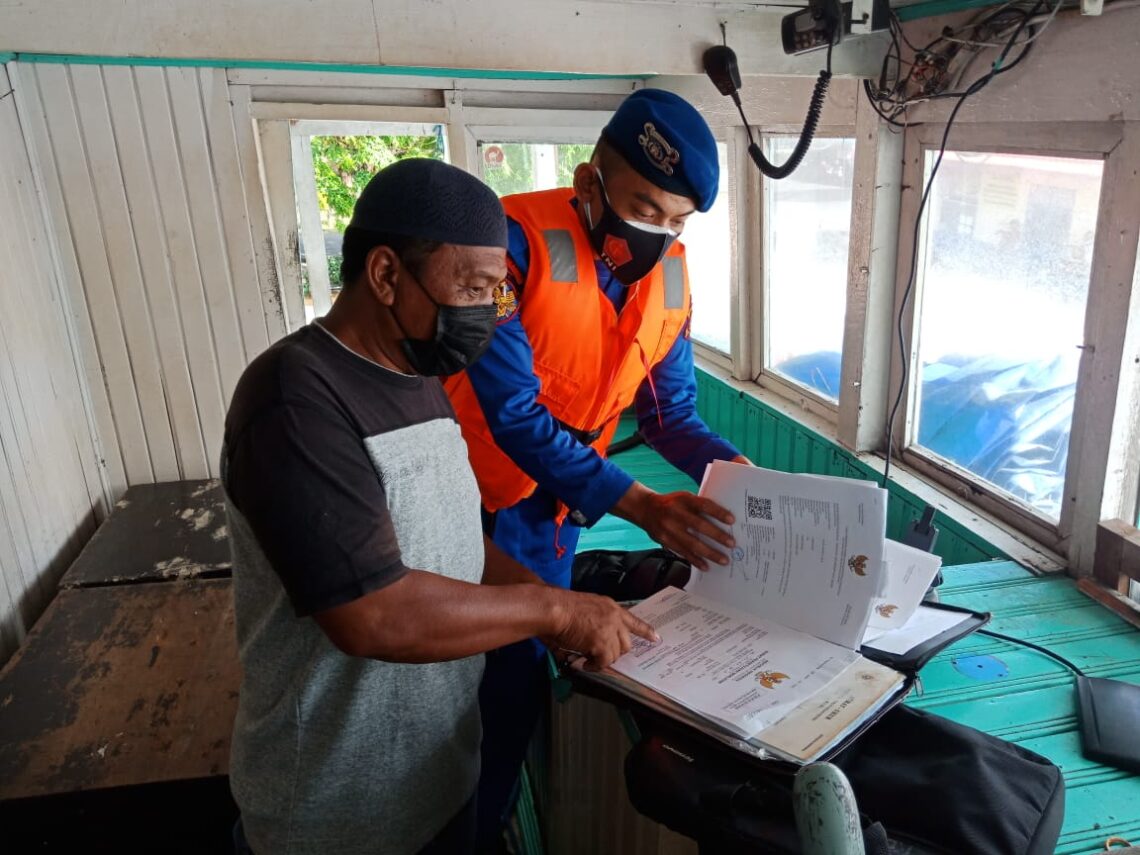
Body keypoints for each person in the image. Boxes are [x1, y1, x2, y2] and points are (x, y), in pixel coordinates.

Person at [221, 158, 657, 855]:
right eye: (475, 287)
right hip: (334, 818)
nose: (489, 314)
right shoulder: (295, 400)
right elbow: (373, 614)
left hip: (434, 785)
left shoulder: (420, 370)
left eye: (498, 293)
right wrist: (556, 609)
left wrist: (539, 596)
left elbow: (452, 537)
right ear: (387, 275)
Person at [441, 90, 750, 850]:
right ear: (590, 182)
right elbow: (512, 412)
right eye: (646, 206)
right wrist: (638, 500)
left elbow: (669, 416)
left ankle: (493, 823)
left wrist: (748, 478)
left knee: (514, 694)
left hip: (556, 518)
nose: (661, 233)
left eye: (677, 221)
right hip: (471, 503)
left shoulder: (671, 280)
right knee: (451, 692)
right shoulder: (511, 245)